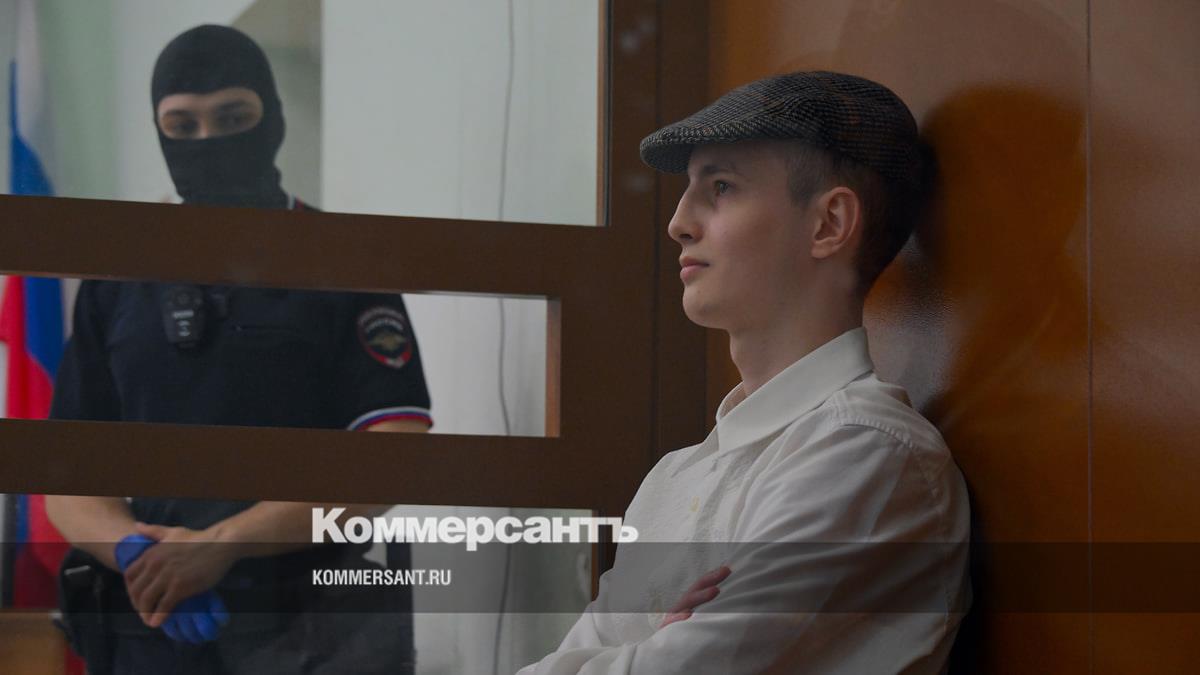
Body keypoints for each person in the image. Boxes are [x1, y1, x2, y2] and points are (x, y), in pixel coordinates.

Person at [519, 71, 970, 674]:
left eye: (722, 187)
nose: (679, 222)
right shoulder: (674, 475)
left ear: (829, 223)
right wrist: (642, 652)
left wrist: (640, 652)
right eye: (689, 190)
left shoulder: (864, 450)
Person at [45, 25, 430, 674]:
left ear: (272, 118)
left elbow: (392, 451)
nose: (208, 140)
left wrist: (225, 543)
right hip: (153, 620)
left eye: (232, 118)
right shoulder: (117, 275)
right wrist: (138, 553)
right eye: (182, 125)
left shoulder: (342, 260)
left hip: (312, 624)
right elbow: (67, 475)